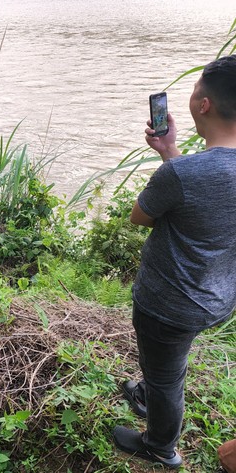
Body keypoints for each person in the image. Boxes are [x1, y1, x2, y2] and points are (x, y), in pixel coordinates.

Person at [113, 55, 236, 470]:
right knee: (164, 363)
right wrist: (171, 152)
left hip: (169, 303)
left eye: (196, 87)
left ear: (203, 104)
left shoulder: (183, 174)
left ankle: (160, 446)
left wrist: (173, 162)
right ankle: (150, 392)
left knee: (167, 375)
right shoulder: (188, 169)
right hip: (218, 296)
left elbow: (140, 217)